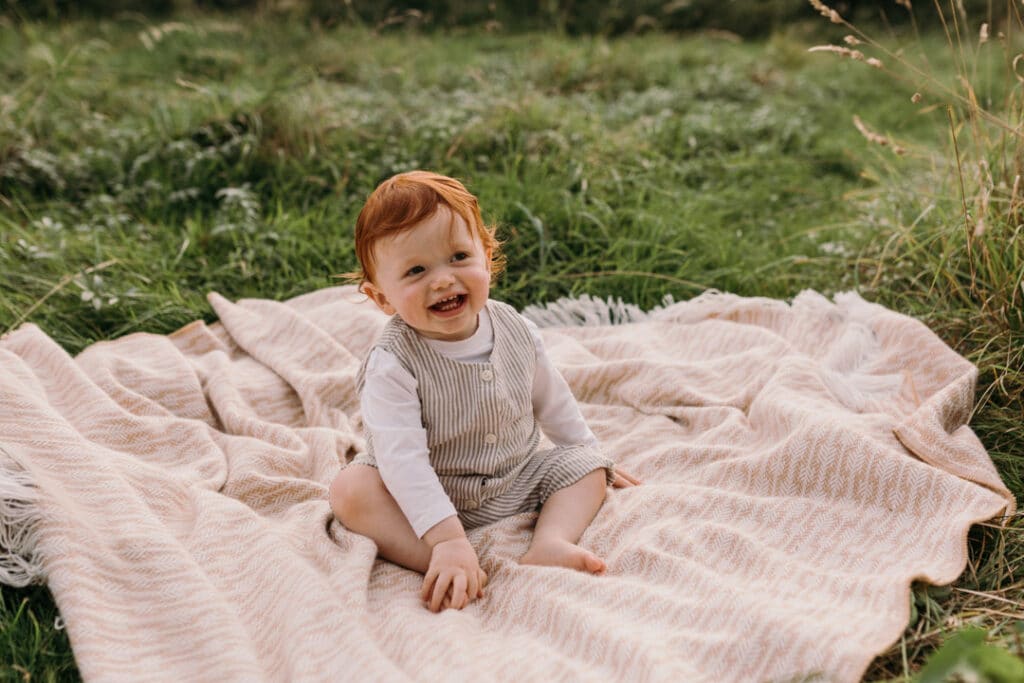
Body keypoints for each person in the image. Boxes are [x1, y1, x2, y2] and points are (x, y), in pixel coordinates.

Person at [329, 171, 640, 613]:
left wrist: (586, 451)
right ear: (382, 299)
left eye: (458, 257)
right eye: (416, 270)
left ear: (487, 257)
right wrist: (448, 537)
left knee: (589, 467)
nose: (442, 280)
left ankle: (550, 542)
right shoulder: (393, 363)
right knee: (351, 490)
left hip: (514, 478)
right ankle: (449, 559)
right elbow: (402, 462)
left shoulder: (515, 327)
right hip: (417, 492)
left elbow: (552, 400)